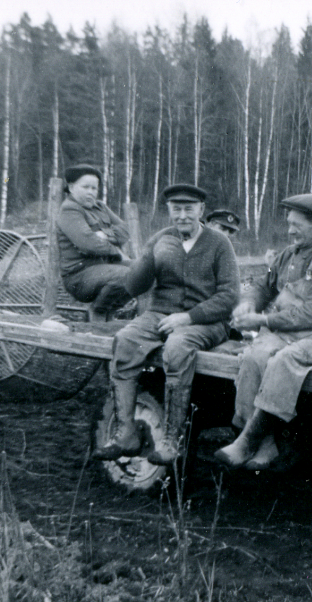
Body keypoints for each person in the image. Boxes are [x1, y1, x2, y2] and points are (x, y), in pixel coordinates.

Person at [96, 184, 239, 462]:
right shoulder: (162, 238)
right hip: (160, 314)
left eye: (189, 209)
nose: (182, 215)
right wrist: (149, 258)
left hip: (207, 320)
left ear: (201, 210)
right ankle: (125, 433)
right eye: (176, 209)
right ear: (169, 211)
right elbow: (134, 286)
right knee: (125, 340)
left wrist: (188, 317)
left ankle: (172, 440)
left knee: (177, 347)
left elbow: (230, 296)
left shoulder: (219, 243)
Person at [214, 193, 312, 471]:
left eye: (297, 225)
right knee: (254, 357)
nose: (290, 230)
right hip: (290, 331)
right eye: (289, 223)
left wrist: (262, 321)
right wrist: (249, 304)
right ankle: (265, 445)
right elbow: (263, 286)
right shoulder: (287, 255)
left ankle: (248, 440)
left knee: (284, 361)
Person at [55, 164, 134, 322]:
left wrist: (103, 234)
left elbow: (126, 230)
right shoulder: (70, 210)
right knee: (127, 274)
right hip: (79, 277)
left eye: (94, 188)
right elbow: (88, 244)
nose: (91, 192)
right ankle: (98, 310)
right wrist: (114, 250)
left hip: (104, 271)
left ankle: (109, 311)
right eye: (85, 187)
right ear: (71, 187)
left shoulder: (101, 207)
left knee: (146, 271)